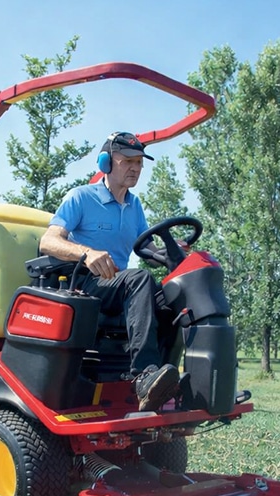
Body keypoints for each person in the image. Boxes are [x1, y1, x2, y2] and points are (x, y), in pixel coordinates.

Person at [39, 131, 179, 411]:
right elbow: (48, 241)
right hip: (85, 284)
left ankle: (168, 379)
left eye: (139, 162)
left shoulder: (134, 205)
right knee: (139, 280)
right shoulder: (81, 197)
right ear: (106, 163)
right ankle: (144, 375)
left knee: (173, 295)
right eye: (127, 161)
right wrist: (87, 253)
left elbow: (146, 249)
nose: (135, 168)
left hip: (119, 287)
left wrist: (173, 252)